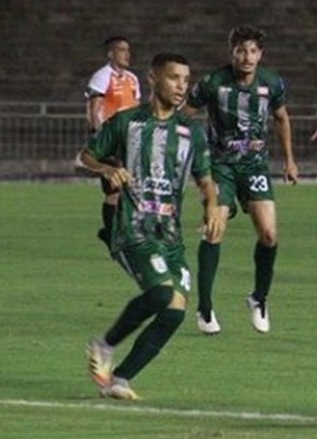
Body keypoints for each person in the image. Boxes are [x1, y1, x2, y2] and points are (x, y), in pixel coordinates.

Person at [78, 52, 221, 400]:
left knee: (174, 313)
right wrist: (108, 169)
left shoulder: (192, 133)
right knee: (161, 294)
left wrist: (212, 208)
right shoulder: (126, 122)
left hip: (169, 237)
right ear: (153, 79)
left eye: (186, 80)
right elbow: (86, 155)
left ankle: (120, 379)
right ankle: (103, 346)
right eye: (174, 78)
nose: (181, 86)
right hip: (132, 229)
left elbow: (205, 180)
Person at [182, 25, 299, 336]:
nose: (247, 57)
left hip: (254, 166)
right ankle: (205, 308)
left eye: (253, 51)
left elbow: (281, 117)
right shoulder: (213, 82)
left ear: (260, 55)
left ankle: (258, 298)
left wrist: (289, 159)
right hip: (220, 166)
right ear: (231, 52)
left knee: (269, 234)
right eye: (241, 50)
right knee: (214, 228)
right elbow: (182, 116)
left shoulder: (271, 83)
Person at [83, 35, 142, 252]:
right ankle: (110, 233)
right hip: (111, 141)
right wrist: (99, 137)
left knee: (132, 188)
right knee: (114, 190)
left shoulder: (132, 79)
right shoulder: (102, 76)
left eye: (128, 50)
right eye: (122, 50)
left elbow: (136, 107)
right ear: (111, 54)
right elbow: (94, 108)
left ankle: (121, 231)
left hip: (129, 141)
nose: (127, 54)